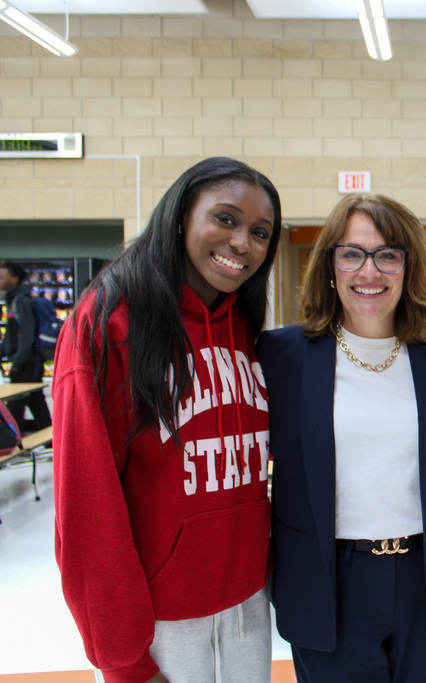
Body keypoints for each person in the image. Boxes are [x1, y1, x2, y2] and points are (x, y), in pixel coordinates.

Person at [51, 157, 282, 683]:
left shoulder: (243, 326)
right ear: (181, 217)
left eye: (260, 232)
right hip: (159, 623)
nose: (242, 242)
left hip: (247, 602)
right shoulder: (108, 321)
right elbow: (86, 510)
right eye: (225, 218)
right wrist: (125, 659)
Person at [257, 193, 426, 683]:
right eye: (352, 253)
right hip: (327, 579)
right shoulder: (282, 356)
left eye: (387, 255)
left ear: (409, 266)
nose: (369, 271)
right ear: (330, 265)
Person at [0, 261, 52, 432]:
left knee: (16, 402)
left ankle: (15, 442)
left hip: (27, 361)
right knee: (35, 400)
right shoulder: (18, 299)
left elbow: (26, 334)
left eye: (2, 277)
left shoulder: (20, 301)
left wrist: (18, 361)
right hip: (30, 360)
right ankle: (50, 441)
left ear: (14, 279)